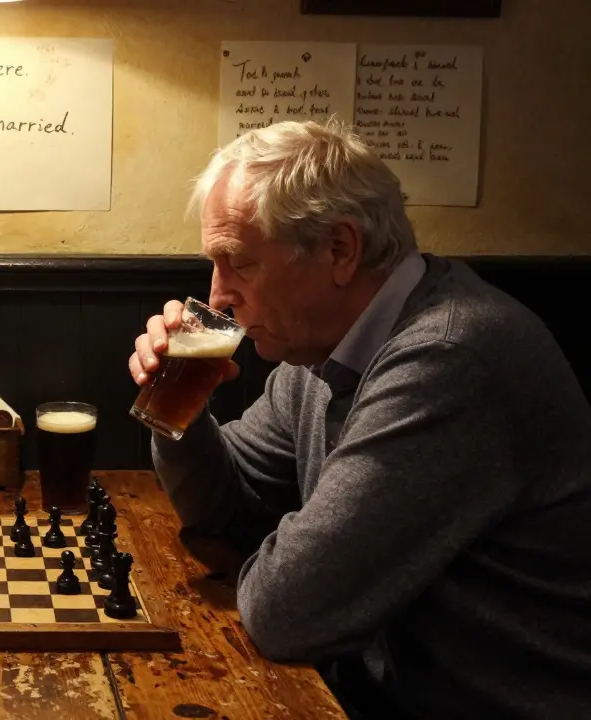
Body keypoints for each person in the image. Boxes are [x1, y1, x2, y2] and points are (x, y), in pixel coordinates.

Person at [131, 120, 591, 718]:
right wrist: (181, 413)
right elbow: (227, 504)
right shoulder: (319, 351)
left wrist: (281, 553)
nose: (217, 296)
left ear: (340, 251)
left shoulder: (448, 357)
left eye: (238, 263)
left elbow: (288, 612)